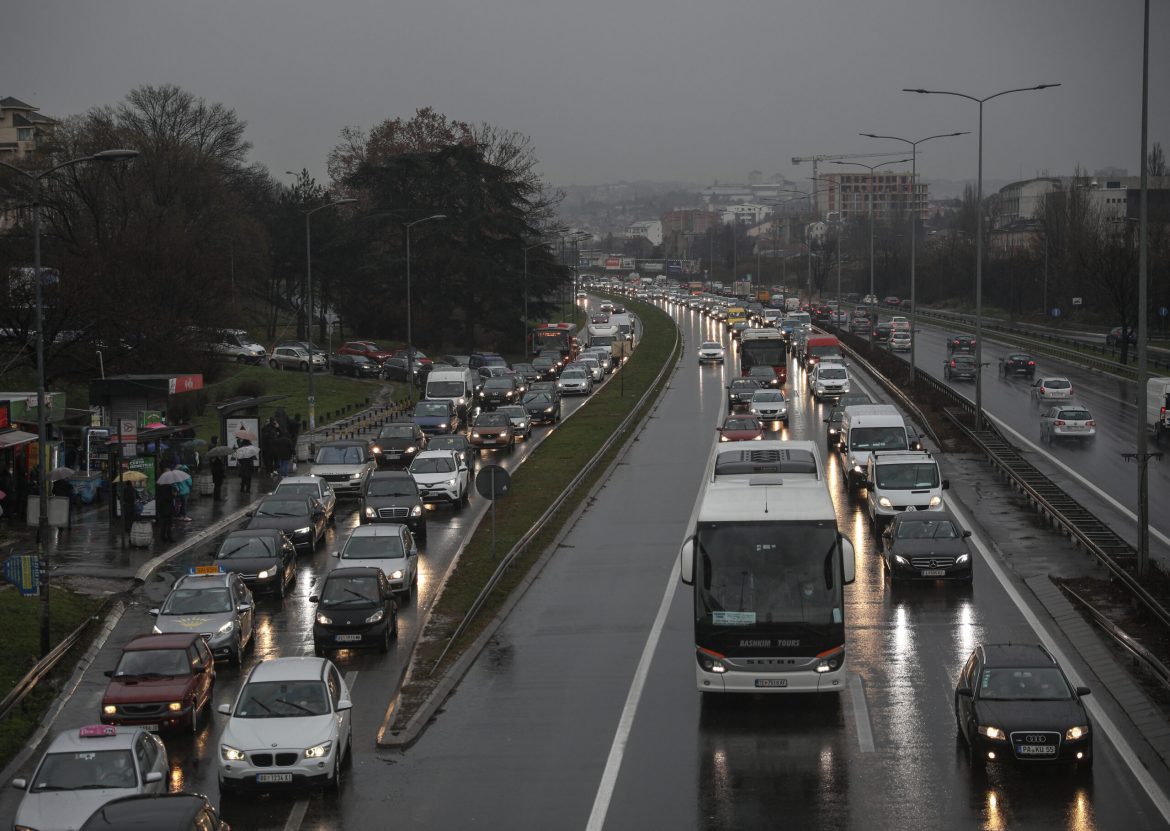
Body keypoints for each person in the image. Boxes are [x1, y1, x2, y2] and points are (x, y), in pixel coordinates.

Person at [155, 467, 175, 543]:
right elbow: (168, 498)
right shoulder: (167, 486)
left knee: (164, 523)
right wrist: (173, 495)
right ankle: (169, 537)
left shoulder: (159, 485)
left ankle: (162, 536)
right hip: (168, 508)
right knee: (169, 523)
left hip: (162, 507)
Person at [209, 437, 227, 501]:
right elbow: (215, 461)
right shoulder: (214, 452)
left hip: (215, 470)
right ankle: (217, 498)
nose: (218, 440)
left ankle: (216, 497)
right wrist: (219, 458)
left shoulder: (212, 451)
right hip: (218, 471)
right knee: (218, 484)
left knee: (217, 484)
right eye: (217, 439)